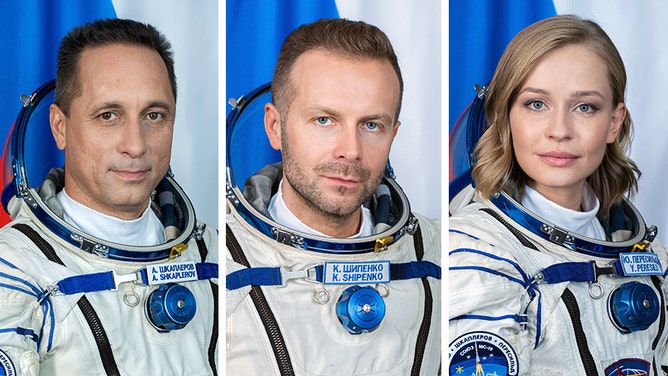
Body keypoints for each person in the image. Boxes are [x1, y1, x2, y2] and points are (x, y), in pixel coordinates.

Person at [448, 14, 668, 375]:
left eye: (585, 107)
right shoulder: (476, 251)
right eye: (536, 104)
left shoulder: (644, 249)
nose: (560, 130)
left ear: (614, 122)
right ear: (505, 116)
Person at [0, 18, 218, 375]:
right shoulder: (15, 270)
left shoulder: (215, 253)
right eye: (108, 115)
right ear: (61, 127)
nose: (135, 144)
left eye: (154, 115)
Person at [225, 18, 441, 375]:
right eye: (325, 120)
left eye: (371, 125)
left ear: (393, 134)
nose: (350, 151)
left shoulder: (439, 256)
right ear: (275, 128)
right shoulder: (222, 263)